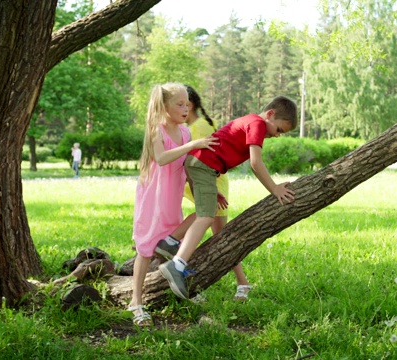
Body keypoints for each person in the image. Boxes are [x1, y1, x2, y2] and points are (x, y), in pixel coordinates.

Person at [158, 95, 298, 300]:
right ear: (270, 114)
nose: (277, 136)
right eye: (278, 130)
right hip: (203, 165)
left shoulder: (250, 121)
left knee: (206, 212)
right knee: (207, 217)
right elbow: (255, 163)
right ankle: (177, 265)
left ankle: (169, 242)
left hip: (201, 165)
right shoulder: (257, 124)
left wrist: (213, 191)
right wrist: (274, 188)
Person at [127, 82, 218, 326]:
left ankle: (179, 284)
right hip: (153, 198)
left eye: (187, 103)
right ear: (164, 106)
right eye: (179, 104)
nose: (185, 108)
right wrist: (192, 146)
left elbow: (187, 168)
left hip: (172, 198)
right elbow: (162, 158)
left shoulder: (186, 133)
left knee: (179, 237)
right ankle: (136, 302)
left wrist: (205, 192)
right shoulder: (157, 130)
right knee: (146, 249)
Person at [156, 85, 251, 301]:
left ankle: (242, 282)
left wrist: (213, 188)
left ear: (192, 106)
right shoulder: (197, 125)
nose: (181, 110)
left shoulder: (199, 127)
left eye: (184, 105)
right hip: (202, 180)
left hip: (211, 181)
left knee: (219, 233)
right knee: (209, 226)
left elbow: (210, 157)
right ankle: (171, 247)